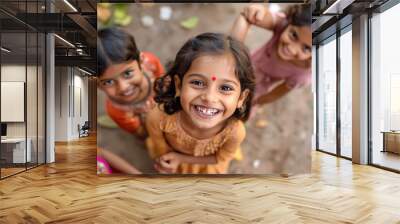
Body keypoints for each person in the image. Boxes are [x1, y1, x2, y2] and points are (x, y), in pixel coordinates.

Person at [145, 33, 255, 174]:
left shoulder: (235, 132)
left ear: (241, 98)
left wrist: (180, 158)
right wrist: (166, 162)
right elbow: (160, 149)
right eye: (197, 82)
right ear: (179, 86)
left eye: (225, 88)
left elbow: (220, 158)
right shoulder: (158, 118)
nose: (209, 97)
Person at [97, 27, 165, 174]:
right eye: (108, 82)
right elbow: (140, 132)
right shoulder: (117, 110)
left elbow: (163, 79)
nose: (122, 87)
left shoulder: (150, 62)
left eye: (127, 73)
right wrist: (149, 120)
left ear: (141, 62)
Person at [230, 4, 311, 108]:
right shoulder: (283, 24)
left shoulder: (301, 75)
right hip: (244, 65)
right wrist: (233, 56)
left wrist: (254, 103)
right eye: (294, 35)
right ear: (290, 21)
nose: (292, 49)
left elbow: (274, 94)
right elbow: (247, 16)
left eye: (306, 48)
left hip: (254, 90)